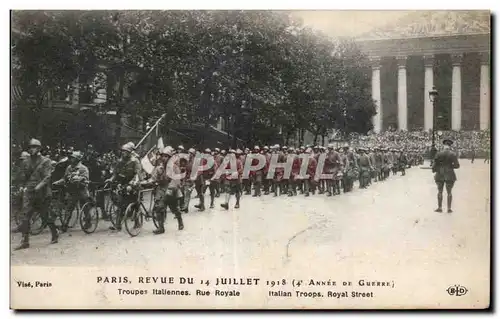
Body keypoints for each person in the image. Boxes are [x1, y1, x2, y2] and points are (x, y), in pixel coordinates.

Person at [15, 139, 59, 250]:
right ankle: (25, 241)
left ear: (39, 148)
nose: (31, 149)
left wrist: (38, 186)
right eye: (30, 147)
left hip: (42, 192)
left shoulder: (46, 161)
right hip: (29, 192)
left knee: (45, 215)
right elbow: (22, 176)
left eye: (34, 147)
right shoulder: (26, 161)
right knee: (25, 216)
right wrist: (21, 186)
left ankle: (54, 233)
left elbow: (47, 177)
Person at [145, 146, 184, 234]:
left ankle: (180, 220)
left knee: (174, 209)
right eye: (163, 156)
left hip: (171, 189)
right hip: (162, 189)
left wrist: (171, 188)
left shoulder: (174, 167)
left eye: (166, 156)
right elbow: (154, 177)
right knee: (159, 207)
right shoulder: (160, 167)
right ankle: (161, 228)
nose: (164, 158)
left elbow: (177, 180)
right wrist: (148, 182)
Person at [104, 142, 142, 231]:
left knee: (134, 204)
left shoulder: (135, 161)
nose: (123, 153)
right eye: (123, 151)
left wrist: (133, 183)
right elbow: (115, 173)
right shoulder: (120, 161)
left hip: (134, 184)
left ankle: (137, 222)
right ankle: (118, 225)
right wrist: (111, 179)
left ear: (129, 152)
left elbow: (138, 174)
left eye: (125, 151)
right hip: (124, 184)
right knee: (121, 204)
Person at [53, 151, 91, 232]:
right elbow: (65, 178)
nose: (71, 159)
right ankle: (65, 225)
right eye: (71, 158)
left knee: (84, 207)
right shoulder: (69, 168)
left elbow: (86, 178)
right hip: (72, 191)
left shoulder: (83, 168)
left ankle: (88, 222)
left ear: (77, 159)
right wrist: (58, 182)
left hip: (82, 190)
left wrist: (79, 178)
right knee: (69, 208)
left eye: (73, 158)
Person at [432, 139, 460, 213]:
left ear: (444, 145)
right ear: (450, 146)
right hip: (450, 174)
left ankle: (440, 208)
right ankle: (449, 208)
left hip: (440, 174)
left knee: (440, 191)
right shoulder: (453, 154)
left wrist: (436, 169)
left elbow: (434, 165)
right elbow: (457, 166)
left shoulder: (438, 153)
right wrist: (451, 166)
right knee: (449, 192)